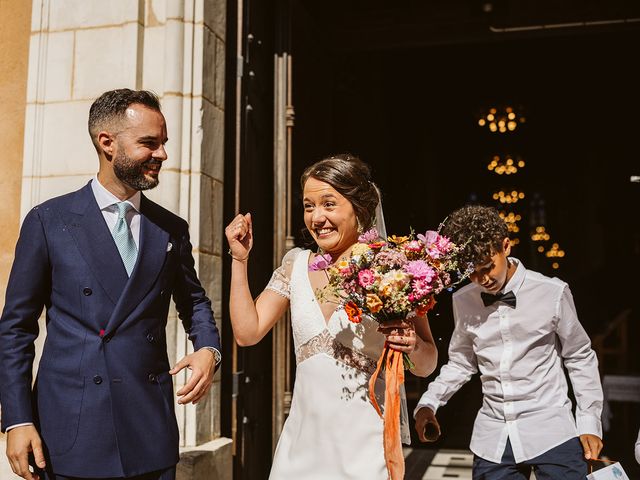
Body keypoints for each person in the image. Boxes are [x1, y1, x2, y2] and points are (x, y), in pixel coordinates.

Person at [0, 89, 221, 480]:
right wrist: (17, 420)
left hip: (148, 430)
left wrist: (208, 348)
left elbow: (195, 303)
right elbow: (15, 330)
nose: (162, 155)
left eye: (163, 143)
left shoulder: (170, 228)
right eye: (149, 143)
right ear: (107, 142)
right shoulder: (49, 220)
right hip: (70, 430)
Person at [225, 154, 438, 479]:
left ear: (359, 208)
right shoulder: (295, 265)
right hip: (300, 448)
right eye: (309, 206)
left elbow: (427, 363)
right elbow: (247, 332)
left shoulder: (392, 267)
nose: (316, 217)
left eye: (328, 204)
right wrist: (239, 260)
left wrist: (412, 345)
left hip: (364, 450)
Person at [414, 204, 604, 479]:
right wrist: (429, 403)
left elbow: (579, 356)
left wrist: (589, 422)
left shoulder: (552, 292)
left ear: (506, 246)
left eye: (488, 267)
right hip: (493, 437)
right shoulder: (463, 300)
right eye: (473, 272)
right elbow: (461, 362)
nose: (483, 279)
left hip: (552, 430)